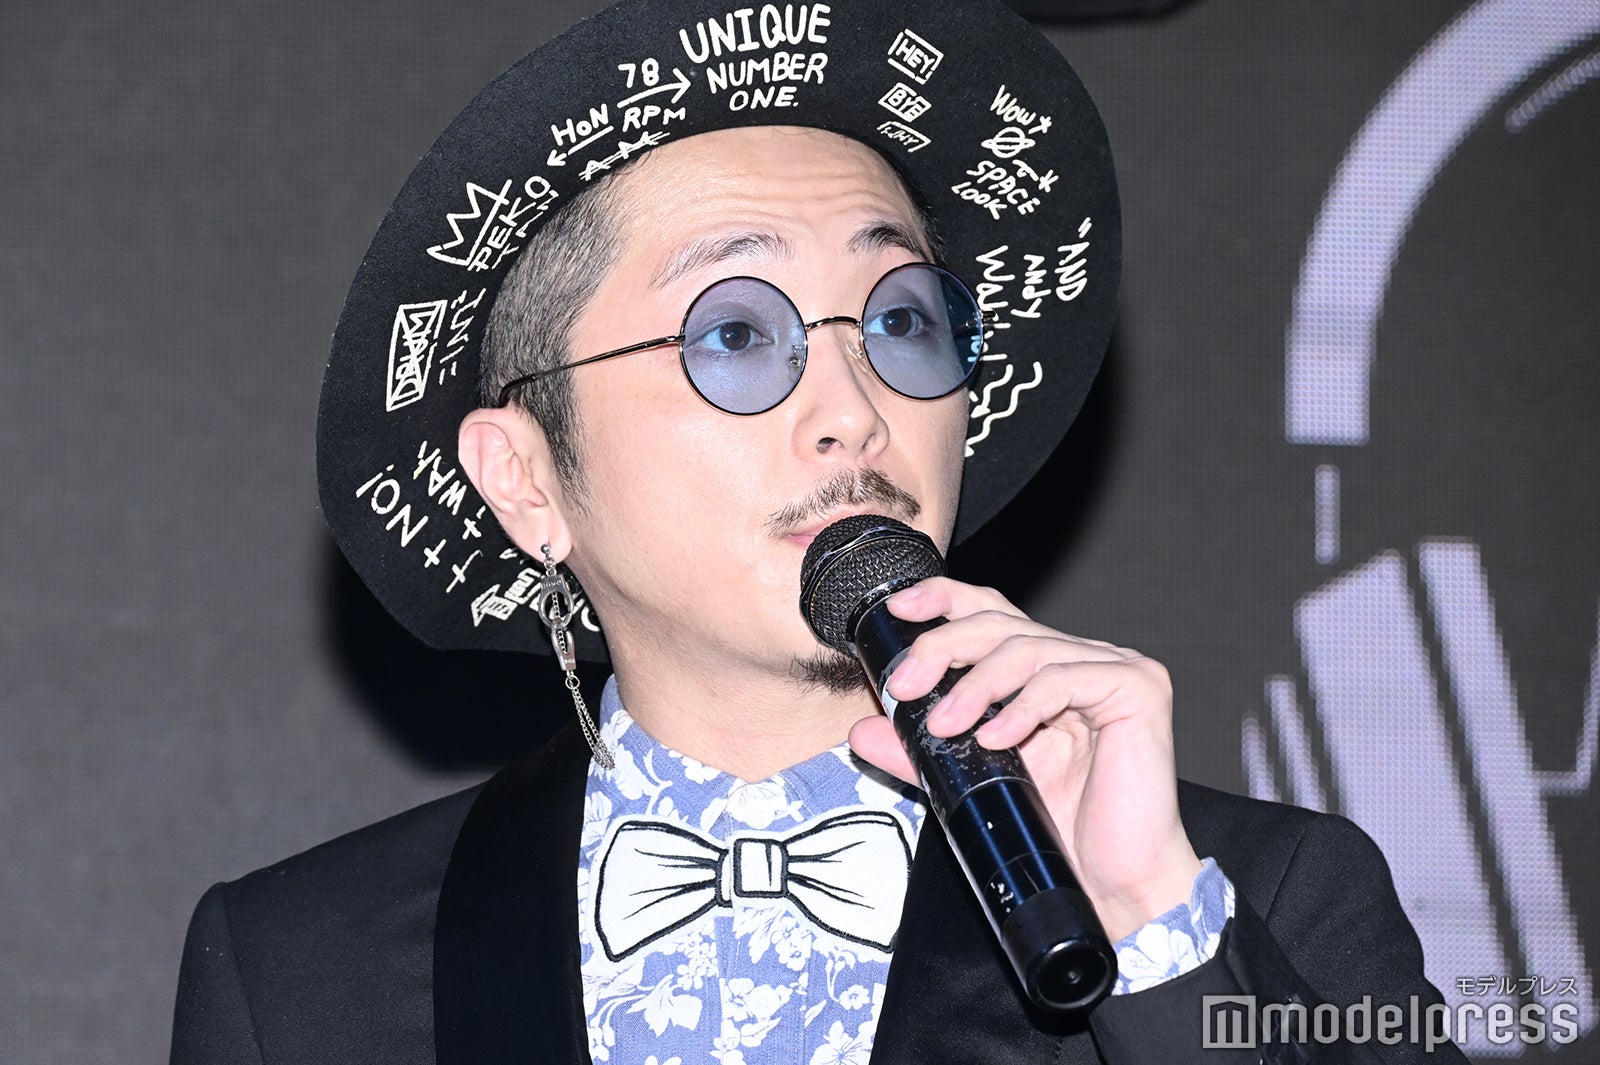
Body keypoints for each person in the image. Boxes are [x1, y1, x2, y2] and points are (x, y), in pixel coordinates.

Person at [171, 0, 1465, 1061]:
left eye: (900, 321)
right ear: (524, 478)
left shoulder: (1256, 894)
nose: (854, 412)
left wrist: (1150, 931)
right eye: (736, 333)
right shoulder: (298, 971)